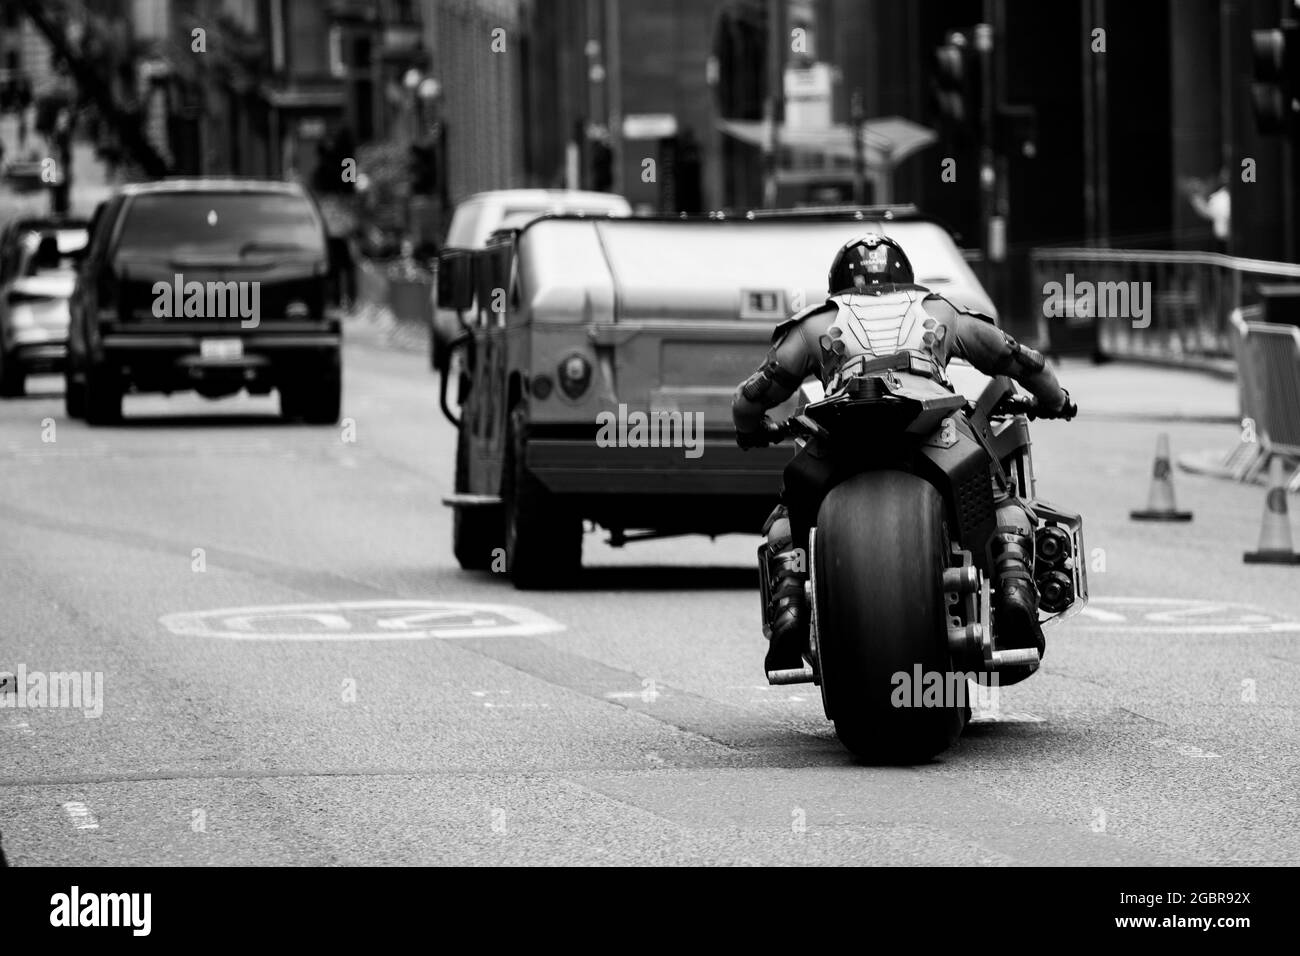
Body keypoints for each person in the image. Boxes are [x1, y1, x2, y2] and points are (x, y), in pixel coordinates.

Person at [733, 234, 1077, 673]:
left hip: (840, 432)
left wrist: (754, 431)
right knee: (997, 495)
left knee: (789, 511)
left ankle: (790, 608)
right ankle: (1013, 586)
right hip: (931, 423)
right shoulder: (938, 312)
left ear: (837, 284)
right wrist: (1056, 400)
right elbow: (1019, 360)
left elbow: (747, 401)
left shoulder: (813, 325)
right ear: (905, 278)